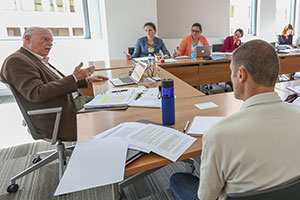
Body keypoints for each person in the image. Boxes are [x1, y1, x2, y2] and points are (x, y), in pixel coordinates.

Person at [169, 40, 300, 200]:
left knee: (177, 179)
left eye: (231, 72)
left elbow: (206, 197)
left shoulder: (217, 134)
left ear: (241, 75)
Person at [0, 27, 108, 141]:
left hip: (69, 104)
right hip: (59, 115)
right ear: (27, 39)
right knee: (114, 114)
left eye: (51, 41)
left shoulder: (34, 59)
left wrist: (85, 80)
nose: (50, 44)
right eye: (45, 39)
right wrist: (74, 78)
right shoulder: (17, 61)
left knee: (112, 101)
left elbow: (55, 84)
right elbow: (37, 93)